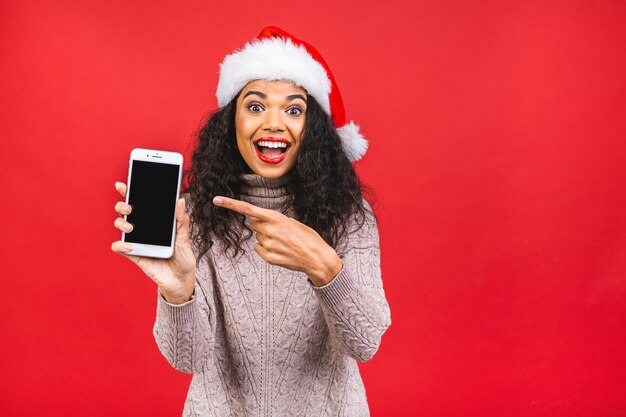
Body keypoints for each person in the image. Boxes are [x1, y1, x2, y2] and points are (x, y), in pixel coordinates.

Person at [111, 26, 391, 416]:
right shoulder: (193, 215)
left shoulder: (350, 215)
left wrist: (324, 267)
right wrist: (178, 293)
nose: (274, 124)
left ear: (314, 130)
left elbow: (365, 343)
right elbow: (186, 360)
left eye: (293, 109)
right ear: (232, 122)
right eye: (256, 106)